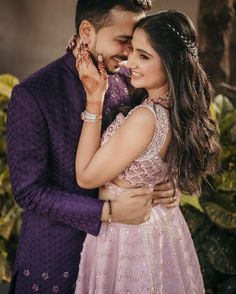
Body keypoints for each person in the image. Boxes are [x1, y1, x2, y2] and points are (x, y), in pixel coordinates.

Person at [6, 1, 179, 293]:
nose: (129, 54)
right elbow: (29, 191)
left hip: (118, 261)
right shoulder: (34, 95)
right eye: (123, 41)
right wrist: (107, 211)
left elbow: (152, 142)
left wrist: (166, 182)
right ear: (87, 31)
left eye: (136, 43)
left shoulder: (131, 82)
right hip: (57, 259)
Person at [73, 10, 220, 293]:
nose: (130, 64)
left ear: (170, 63)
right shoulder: (177, 113)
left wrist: (94, 101)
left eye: (143, 56)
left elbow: (86, 177)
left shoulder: (145, 117)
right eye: (132, 53)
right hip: (159, 229)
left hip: (128, 237)